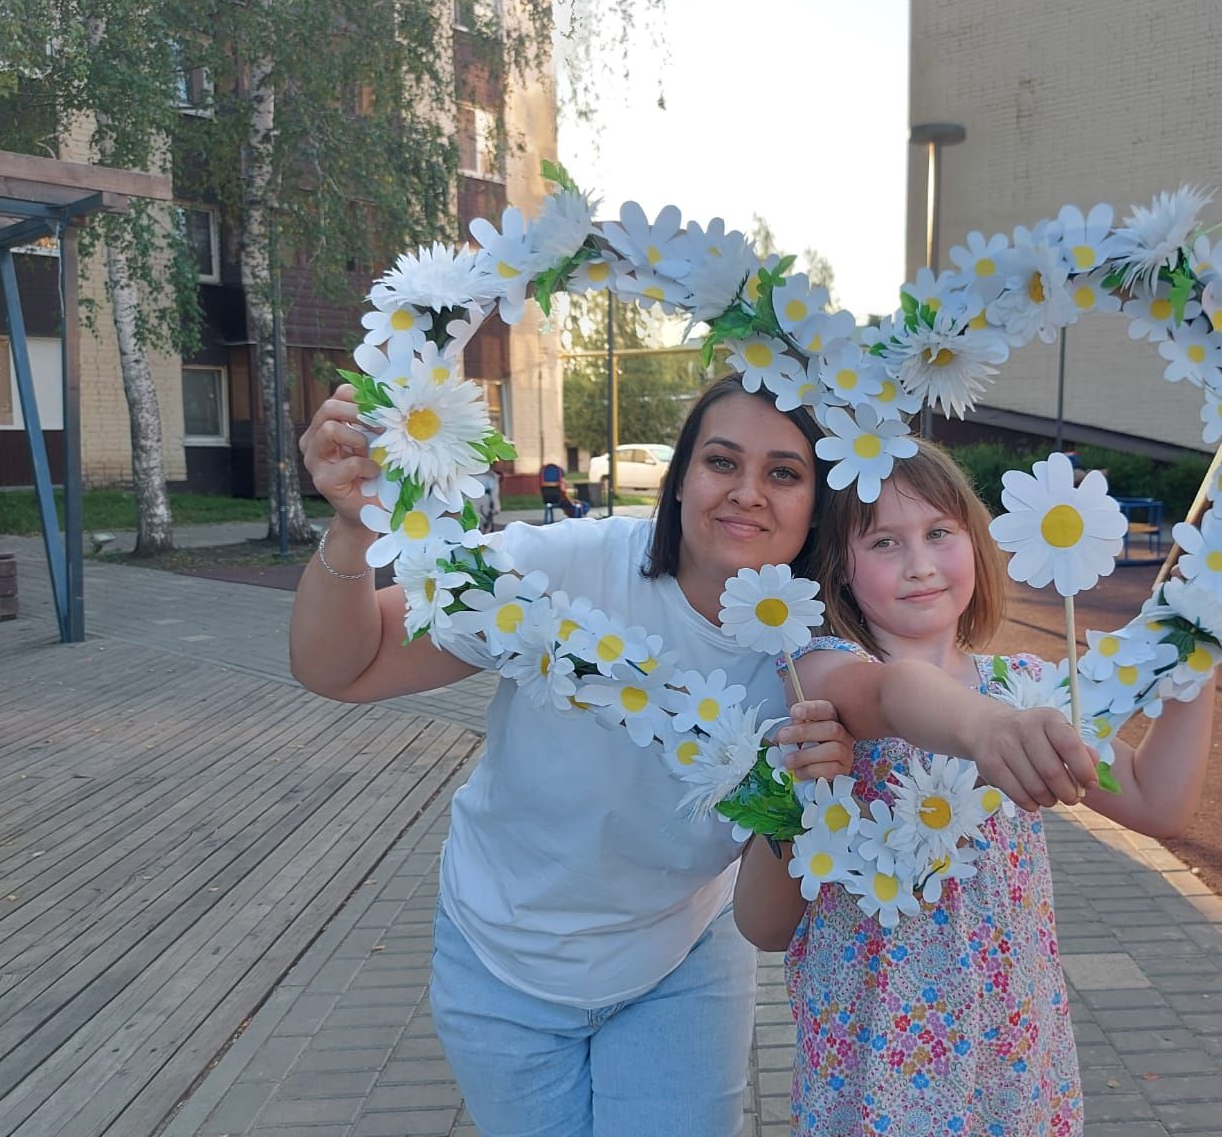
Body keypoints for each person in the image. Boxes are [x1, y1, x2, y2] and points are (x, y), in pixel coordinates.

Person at [290, 372, 865, 1137]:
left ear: (819, 502)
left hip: (679, 959)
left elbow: (778, 904)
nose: (748, 492)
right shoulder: (565, 566)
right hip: (501, 955)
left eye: (784, 473)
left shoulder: (813, 658)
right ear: (681, 477)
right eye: (722, 462)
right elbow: (343, 668)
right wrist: (355, 533)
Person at [732, 440, 1216, 1136]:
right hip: (875, 1055)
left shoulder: (1022, 687)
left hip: (1010, 1050)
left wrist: (1200, 654)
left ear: (975, 541)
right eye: (884, 543)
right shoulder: (821, 675)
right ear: (839, 567)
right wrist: (983, 729)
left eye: (939, 533)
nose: (921, 565)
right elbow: (894, 697)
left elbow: (1153, 798)